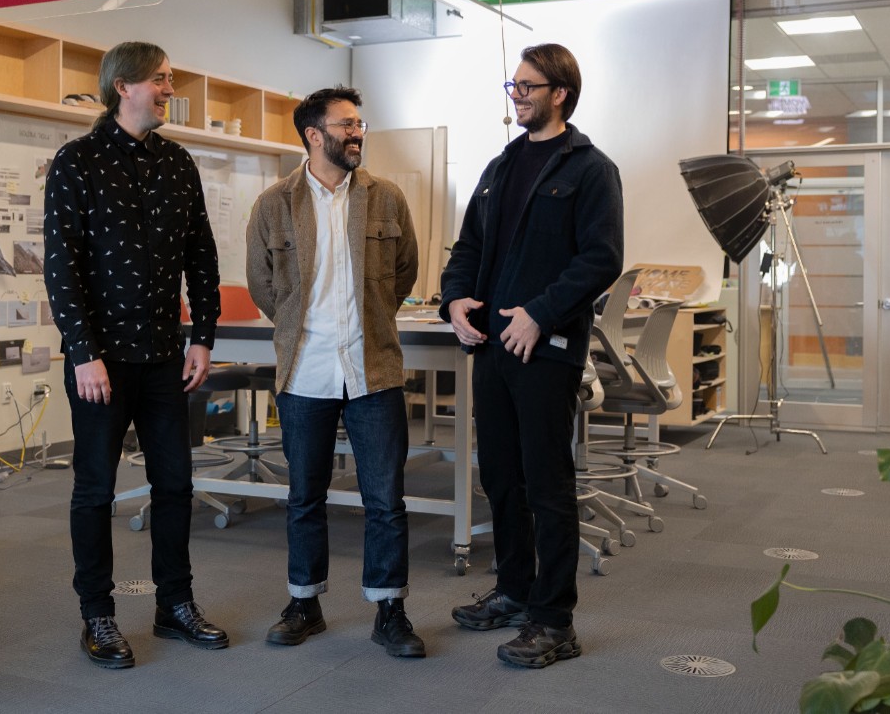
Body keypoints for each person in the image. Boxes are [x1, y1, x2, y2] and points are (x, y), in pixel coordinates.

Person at [440, 43, 623, 669]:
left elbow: (600, 259)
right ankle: (515, 590)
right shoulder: (501, 165)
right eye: (512, 86)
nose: (515, 95)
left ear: (559, 93)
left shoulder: (591, 169)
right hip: (492, 345)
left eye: (526, 86)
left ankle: (554, 619)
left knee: (548, 484)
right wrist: (454, 300)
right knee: (500, 478)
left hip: (546, 349)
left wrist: (541, 313)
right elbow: (468, 246)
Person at [44, 41, 225, 670]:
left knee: (175, 484)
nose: (170, 89)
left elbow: (201, 256)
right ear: (123, 86)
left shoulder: (178, 162)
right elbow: (61, 266)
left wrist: (203, 335)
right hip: (101, 360)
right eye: (160, 79)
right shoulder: (77, 161)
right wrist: (82, 353)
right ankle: (98, 614)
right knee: (95, 490)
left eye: (170, 78)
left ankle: (174, 605)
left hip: (164, 356)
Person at [246, 86, 425, 658]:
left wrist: (369, 320)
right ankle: (305, 603)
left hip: (373, 366)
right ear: (313, 135)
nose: (357, 133)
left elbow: (404, 273)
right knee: (305, 496)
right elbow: (263, 285)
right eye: (346, 124)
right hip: (305, 370)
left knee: (386, 499)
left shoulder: (386, 198)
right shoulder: (274, 204)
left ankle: (389, 608)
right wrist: (298, 326)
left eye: (359, 124)